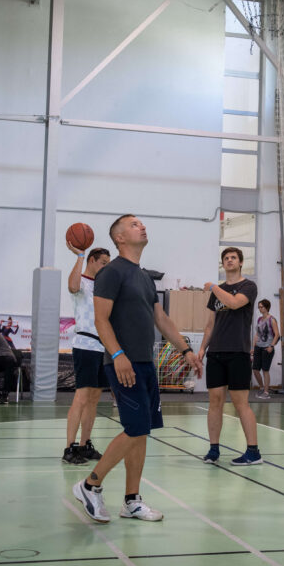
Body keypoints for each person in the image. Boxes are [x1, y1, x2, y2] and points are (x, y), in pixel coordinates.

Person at [72, 214, 203, 524]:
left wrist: (185, 349)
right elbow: (101, 320)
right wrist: (117, 354)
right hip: (123, 364)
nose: (141, 226)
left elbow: (161, 319)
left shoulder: (144, 277)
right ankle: (90, 484)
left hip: (145, 363)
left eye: (141, 223)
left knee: (142, 432)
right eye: (133, 224)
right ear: (119, 237)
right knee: (136, 428)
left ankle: (131, 500)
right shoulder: (111, 273)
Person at [197, 247, 262, 466]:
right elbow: (210, 324)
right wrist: (202, 349)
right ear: (223, 263)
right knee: (214, 401)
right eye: (226, 258)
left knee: (240, 403)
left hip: (238, 352)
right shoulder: (218, 292)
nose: (229, 260)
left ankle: (253, 452)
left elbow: (234, 303)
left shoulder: (248, 286)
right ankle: (213, 449)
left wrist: (214, 287)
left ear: (241, 262)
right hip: (216, 353)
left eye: (233, 257)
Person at [62, 243, 112, 465]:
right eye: (103, 263)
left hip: (103, 347)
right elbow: (72, 286)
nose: (105, 267)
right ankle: (69, 448)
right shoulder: (81, 281)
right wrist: (80, 255)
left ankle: (84, 445)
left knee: (93, 399)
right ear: (92, 260)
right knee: (81, 398)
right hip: (85, 344)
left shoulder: (104, 287)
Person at [252, 299, 280, 399]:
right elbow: (257, 334)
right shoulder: (259, 320)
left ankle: (266, 392)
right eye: (259, 307)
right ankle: (261, 387)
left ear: (267, 307)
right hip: (258, 347)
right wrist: (253, 346)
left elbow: (277, 334)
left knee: (265, 370)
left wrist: (271, 346)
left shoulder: (272, 319)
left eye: (262, 307)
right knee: (255, 370)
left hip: (267, 348)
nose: (260, 309)